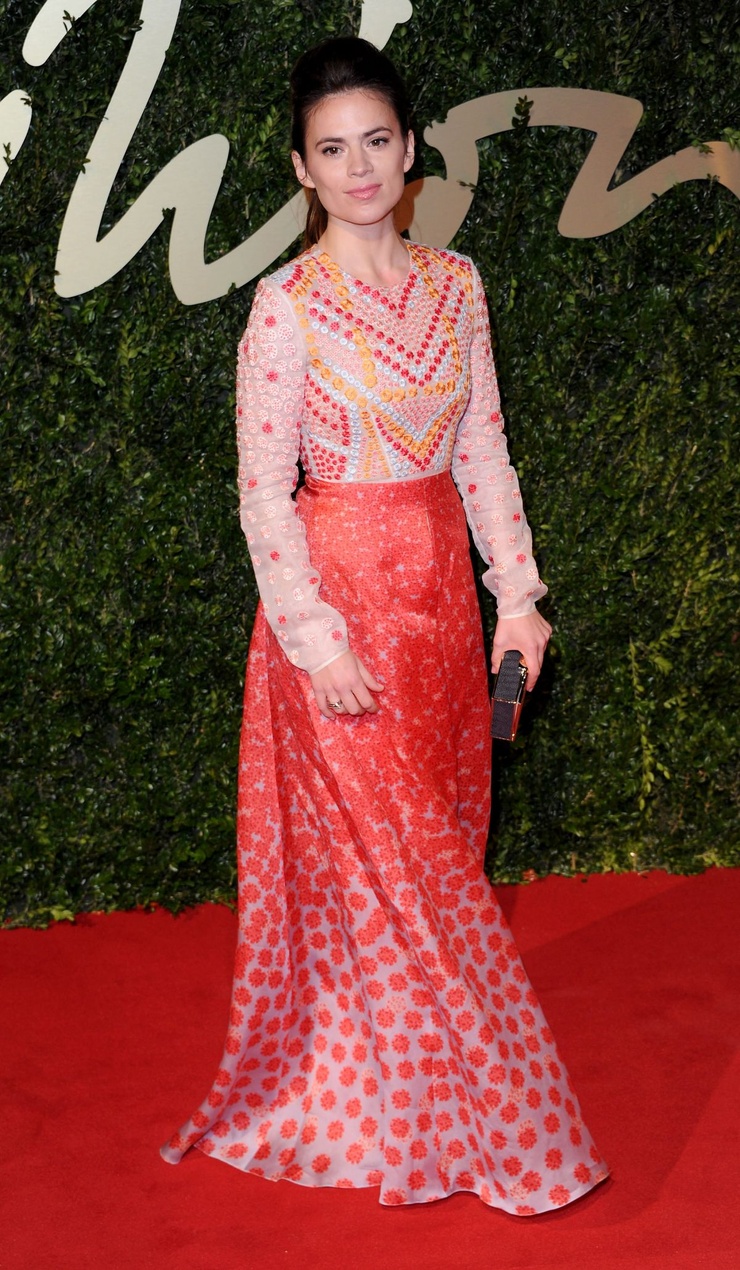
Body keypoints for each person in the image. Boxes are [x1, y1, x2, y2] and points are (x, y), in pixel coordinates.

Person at [161, 36, 607, 1214]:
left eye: (375, 141)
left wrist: (516, 597)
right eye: (331, 149)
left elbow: (482, 453)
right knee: (408, 879)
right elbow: (264, 493)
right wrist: (312, 638)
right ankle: (505, 1126)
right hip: (338, 626)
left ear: (408, 150)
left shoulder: (458, 287)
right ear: (300, 169)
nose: (357, 167)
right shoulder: (284, 309)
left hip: (441, 619)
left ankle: (401, 1085)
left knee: (436, 854)